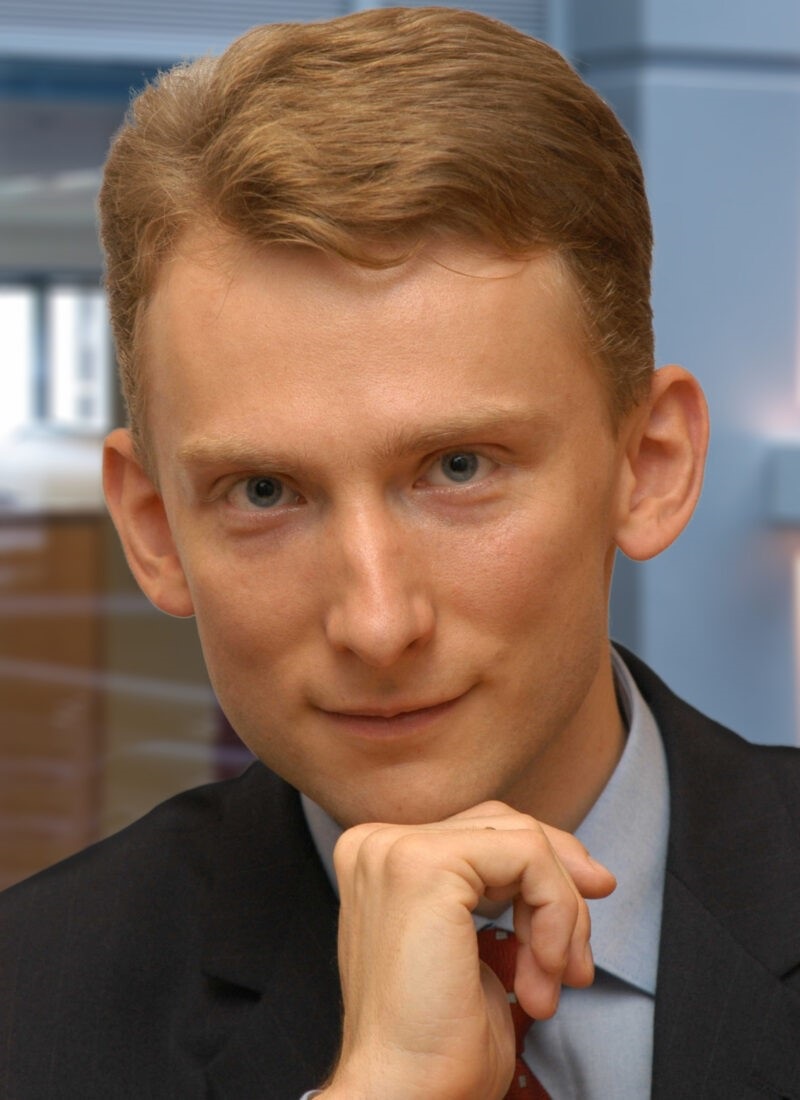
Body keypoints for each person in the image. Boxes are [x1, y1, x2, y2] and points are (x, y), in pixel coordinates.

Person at [2, 7, 799, 1098]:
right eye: (264, 492)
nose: (376, 624)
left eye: (459, 469)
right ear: (153, 527)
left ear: (648, 465)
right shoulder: (28, 1014)